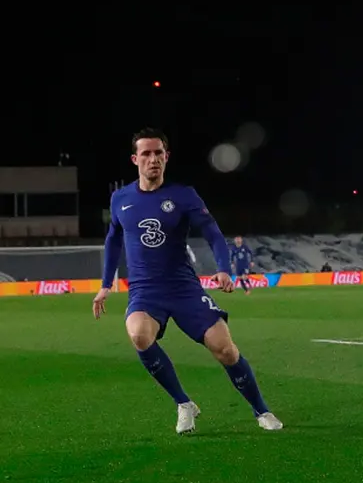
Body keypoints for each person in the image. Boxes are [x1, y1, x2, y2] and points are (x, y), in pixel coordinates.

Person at [93, 128, 283, 434]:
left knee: (225, 349)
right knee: (139, 334)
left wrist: (223, 268)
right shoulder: (120, 199)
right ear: (134, 159)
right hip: (146, 290)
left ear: (167, 157)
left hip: (184, 288)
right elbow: (113, 239)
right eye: (146, 153)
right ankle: (184, 403)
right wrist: (105, 284)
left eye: (158, 153)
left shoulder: (183, 195)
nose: (153, 159)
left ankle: (261, 410)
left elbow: (212, 232)